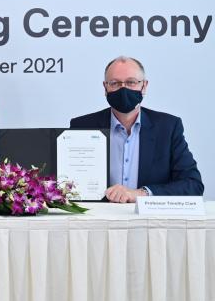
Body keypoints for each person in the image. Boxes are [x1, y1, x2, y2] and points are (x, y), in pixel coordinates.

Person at [70, 56, 203, 202]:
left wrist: (141, 194)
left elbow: (193, 185)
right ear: (105, 87)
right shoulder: (82, 126)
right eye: (114, 83)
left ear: (144, 86)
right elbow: (67, 185)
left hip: (148, 215)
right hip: (97, 214)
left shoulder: (168, 127)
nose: (123, 89)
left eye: (131, 82)